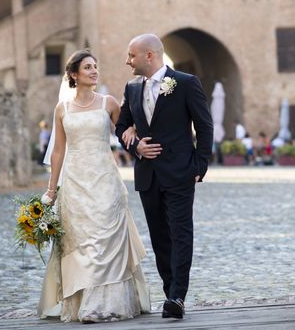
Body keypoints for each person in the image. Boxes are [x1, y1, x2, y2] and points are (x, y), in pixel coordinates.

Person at [38, 49, 150, 323]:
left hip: (105, 181)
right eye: (88, 67)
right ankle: (82, 302)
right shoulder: (62, 109)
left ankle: (108, 304)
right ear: (74, 75)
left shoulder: (108, 103)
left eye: (95, 66)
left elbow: (126, 132)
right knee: (81, 241)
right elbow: (58, 151)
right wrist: (52, 190)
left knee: (106, 237)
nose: (94, 71)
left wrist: (138, 142)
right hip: (75, 182)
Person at [116, 34, 213, 320]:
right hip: (148, 175)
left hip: (181, 173)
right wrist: (135, 146)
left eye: (131, 55)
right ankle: (169, 288)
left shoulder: (185, 83)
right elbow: (121, 126)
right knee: (159, 238)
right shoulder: (132, 89)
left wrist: (199, 166)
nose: (127, 61)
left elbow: (205, 126)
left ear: (149, 55)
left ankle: (176, 297)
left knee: (181, 233)